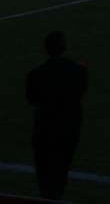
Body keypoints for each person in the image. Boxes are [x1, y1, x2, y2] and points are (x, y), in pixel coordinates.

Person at [26, 32, 88, 202]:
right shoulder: (80, 70)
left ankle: (49, 196)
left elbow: (32, 100)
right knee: (62, 167)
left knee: (45, 170)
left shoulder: (35, 74)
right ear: (64, 47)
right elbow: (80, 93)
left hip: (44, 128)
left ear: (46, 49)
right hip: (69, 126)